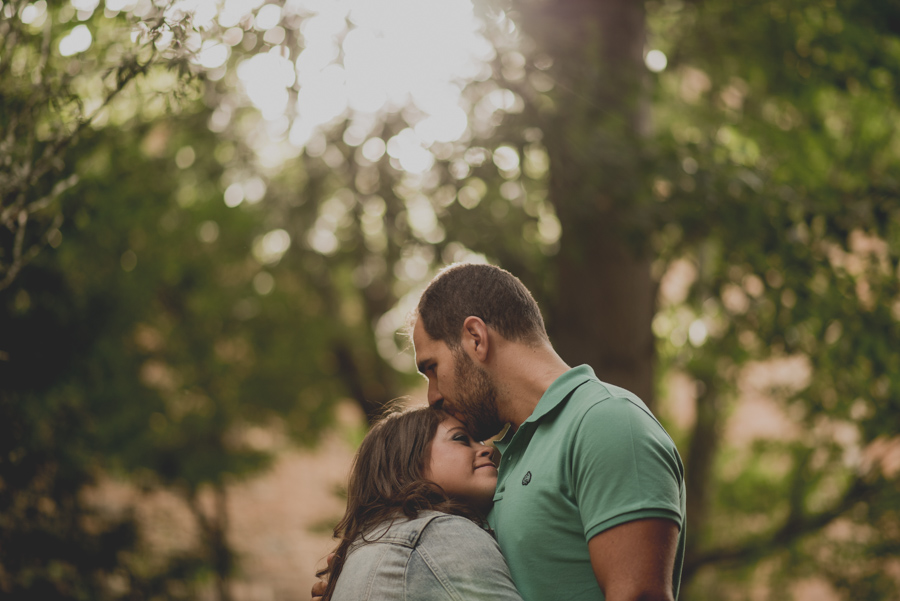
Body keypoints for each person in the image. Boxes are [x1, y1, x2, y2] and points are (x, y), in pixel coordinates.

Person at [411, 262, 686, 601]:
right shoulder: (500, 461)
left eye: (432, 368)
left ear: (476, 338)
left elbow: (639, 595)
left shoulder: (606, 422)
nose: (432, 396)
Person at [316, 405, 523, 601]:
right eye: (460, 438)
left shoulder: (361, 551)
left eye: (480, 442)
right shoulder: (441, 533)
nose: (486, 450)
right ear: (400, 467)